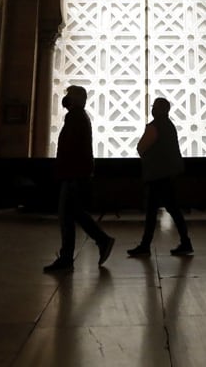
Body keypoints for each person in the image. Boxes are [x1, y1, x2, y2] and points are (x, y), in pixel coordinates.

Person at [43, 85, 116, 273]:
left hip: (73, 174)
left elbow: (71, 149)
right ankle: (100, 241)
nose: (65, 98)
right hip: (75, 172)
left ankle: (72, 256)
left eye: (69, 95)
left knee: (67, 215)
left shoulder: (75, 118)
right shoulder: (78, 117)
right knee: (73, 213)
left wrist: (64, 171)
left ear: (76, 99)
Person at [126, 97, 193, 257]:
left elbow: (141, 147)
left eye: (154, 107)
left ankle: (146, 245)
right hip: (167, 174)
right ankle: (184, 242)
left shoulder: (154, 126)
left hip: (156, 175)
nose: (152, 109)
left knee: (152, 211)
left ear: (159, 109)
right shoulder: (169, 126)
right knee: (172, 209)